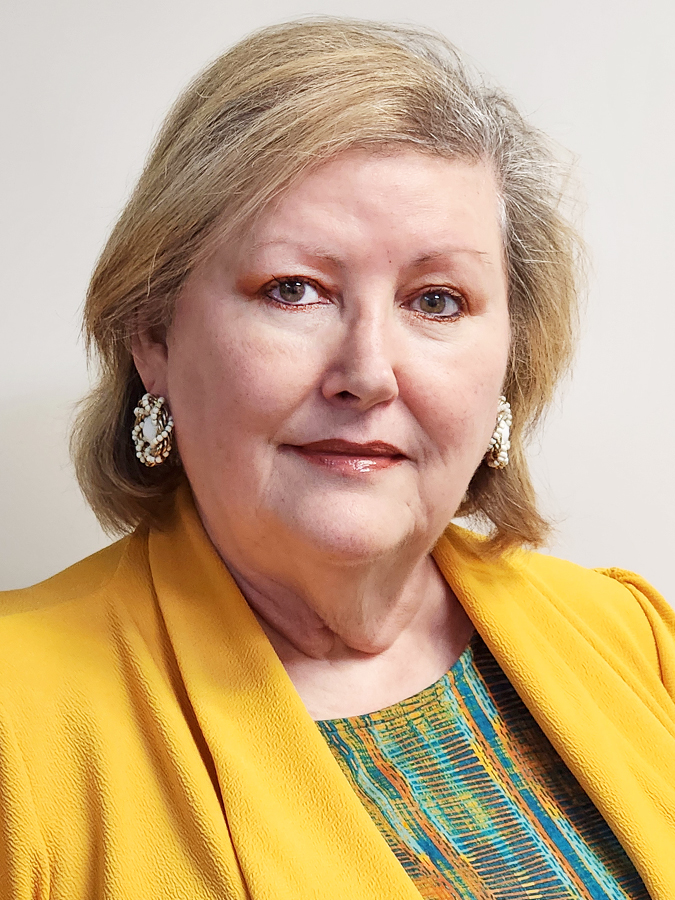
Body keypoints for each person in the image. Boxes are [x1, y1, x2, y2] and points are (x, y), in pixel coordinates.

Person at [0, 16, 673, 900]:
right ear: (153, 337)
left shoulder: (630, 637)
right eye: (293, 290)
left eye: (436, 300)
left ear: (511, 358)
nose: (368, 372)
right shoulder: (17, 719)